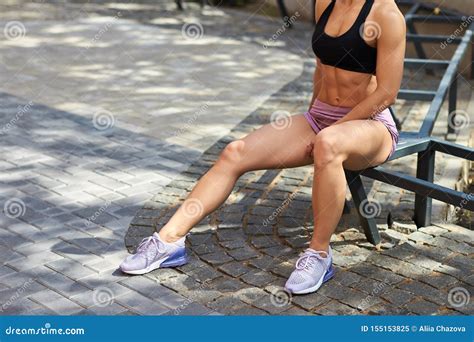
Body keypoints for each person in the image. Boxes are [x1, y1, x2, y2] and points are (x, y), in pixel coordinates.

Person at [120, 0, 406, 295]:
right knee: (235, 152)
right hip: (321, 119)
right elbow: (321, 68)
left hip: (371, 126)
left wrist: (331, 130)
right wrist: (313, 119)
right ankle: (169, 241)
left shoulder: (385, 14)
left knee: (328, 144)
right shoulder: (325, 2)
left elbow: (387, 92)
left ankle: (319, 255)